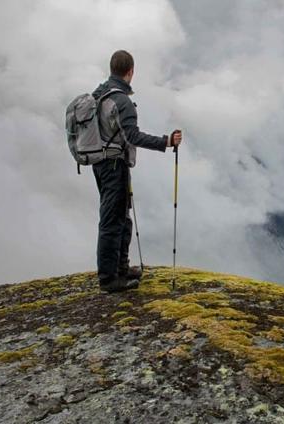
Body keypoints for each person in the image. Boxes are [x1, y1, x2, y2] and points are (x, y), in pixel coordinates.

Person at [91, 50, 183, 293]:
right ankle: (109, 279)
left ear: (112, 69)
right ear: (130, 71)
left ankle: (121, 268)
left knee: (120, 215)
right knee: (113, 219)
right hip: (114, 166)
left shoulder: (99, 94)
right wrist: (167, 142)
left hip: (101, 164)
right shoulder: (122, 101)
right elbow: (133, 136)